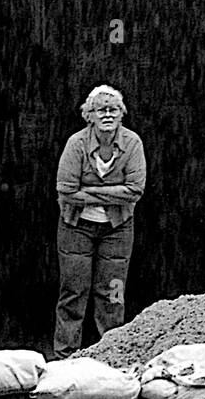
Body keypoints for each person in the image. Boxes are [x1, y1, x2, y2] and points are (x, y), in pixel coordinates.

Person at [53, 84, 146, 359]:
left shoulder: (132, 143)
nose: (107, 115)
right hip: (76, 227)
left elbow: (136, 190)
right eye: (100, 110)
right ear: (88, 115)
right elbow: (65, 189)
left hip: (117, 228)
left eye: (113, 109)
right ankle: (66, 355)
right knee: (74, 289)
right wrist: (114, 194)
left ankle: (112, 354)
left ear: (122, 114)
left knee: (113, 292)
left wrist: (89, 192)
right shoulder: (76, 144)